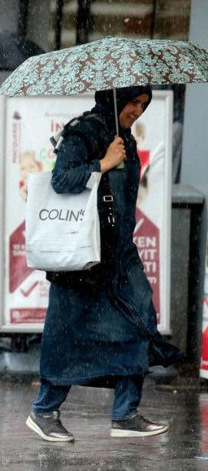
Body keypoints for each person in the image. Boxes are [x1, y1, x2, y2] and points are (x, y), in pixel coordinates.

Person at [27, 85, 176, 442]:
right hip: (82, 256)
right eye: (133, 103)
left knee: (138, 321)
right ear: (116, 98)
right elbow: (61, 179)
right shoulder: (84, 132)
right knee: (67, 331)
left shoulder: (123, 136)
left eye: (143, 105)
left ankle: (125, 413)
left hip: (118, 252)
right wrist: (103, 163)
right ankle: (44, 410)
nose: (137, 111)